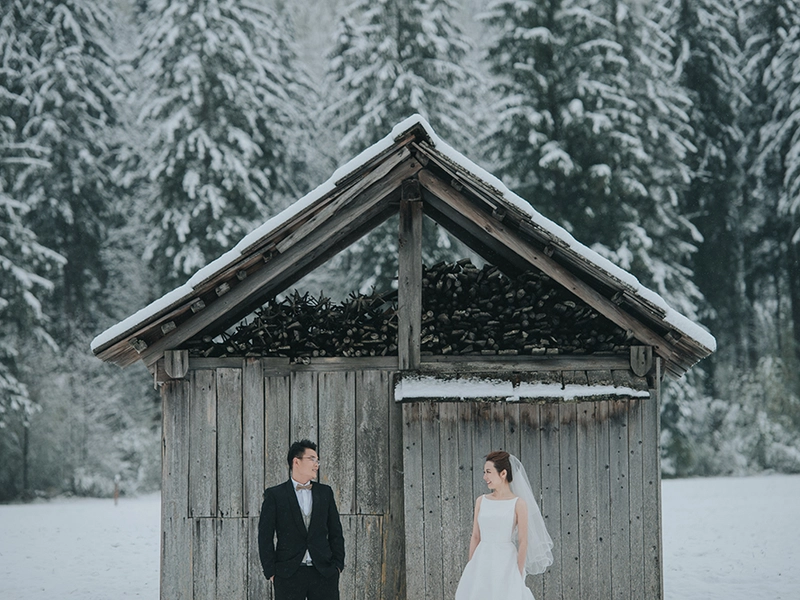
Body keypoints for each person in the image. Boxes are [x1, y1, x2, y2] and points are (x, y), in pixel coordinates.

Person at [455, 450, 554, 600]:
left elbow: (523, 541)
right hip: (482, 559)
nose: (485, 477)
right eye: (484, 472)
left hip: (506, 561)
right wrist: (471, 565)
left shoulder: (519, 504)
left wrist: (518, 571)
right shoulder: (481, 501)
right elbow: (475, 536)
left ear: (503, 473)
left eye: (489, 472)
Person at [258, 440, 345, 600]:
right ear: (296, 462)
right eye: (312, 459)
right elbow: (265, 536)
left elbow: (336, 532)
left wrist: (337, 566)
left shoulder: (325, 492)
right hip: (288, 574)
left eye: (317, 460)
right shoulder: (275, 495)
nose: (316, 464)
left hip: (324, 572)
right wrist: (271, 572)